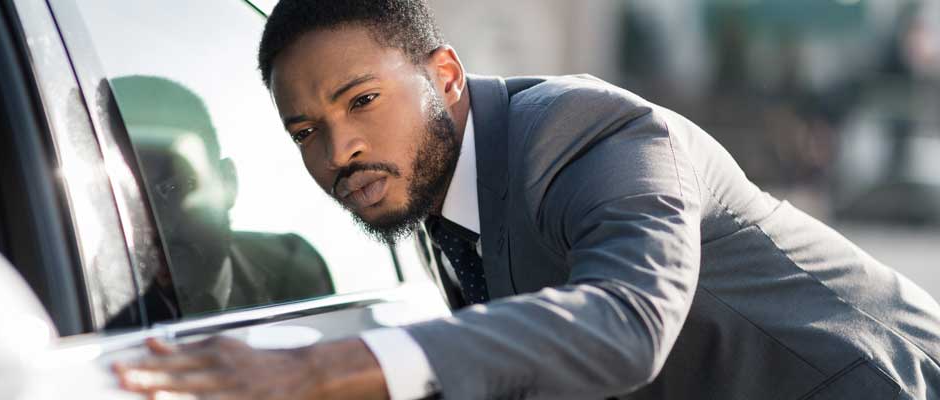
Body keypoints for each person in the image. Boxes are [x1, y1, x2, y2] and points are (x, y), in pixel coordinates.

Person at [111, 1, 940, 399]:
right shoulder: (428, 205)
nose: (338, 150)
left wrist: (318, 367)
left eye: (361, 101)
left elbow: (626, 321)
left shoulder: (593, 134)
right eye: (303, 130)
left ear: (444, 77)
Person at [108, 75, 334, 325]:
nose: (153, 219)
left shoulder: (294, 270)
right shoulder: (74, 301)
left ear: (228, 182)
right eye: (123, 196)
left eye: (176, 186)